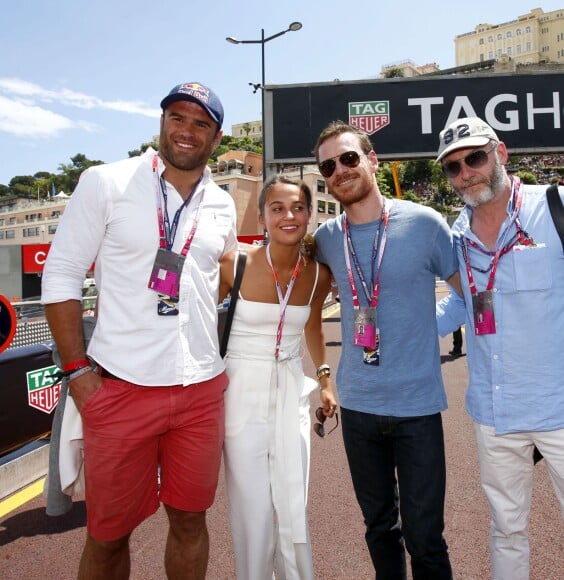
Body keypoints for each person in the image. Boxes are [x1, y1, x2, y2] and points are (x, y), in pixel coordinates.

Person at [41, 82, 237, 580]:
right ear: (161, 122)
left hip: (199, 390)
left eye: (200, 123)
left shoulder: (222, 202)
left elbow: (226, 271)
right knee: (108, 535)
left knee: (191, 521)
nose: (186, 131)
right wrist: (77, 374)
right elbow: (61, 275)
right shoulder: (106, 181)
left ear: (216, 137)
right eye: (177, 117)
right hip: (120, 387)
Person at [312, 121, 458, 580]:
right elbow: (308, 308)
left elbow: (465, 292)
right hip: (358, 408)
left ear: (372, 160)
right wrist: (322, 376)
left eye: (349, 158)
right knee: (378, 529)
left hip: (417, 408)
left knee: (425, 538)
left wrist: (427, 330)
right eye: (329, 166)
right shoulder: (326, 239)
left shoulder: (425, 223)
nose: (340, 170)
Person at [435, 116, 564, 580]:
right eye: (453, 167)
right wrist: (406, 335)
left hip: (560, 407)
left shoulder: (555, 207)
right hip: (495, 412)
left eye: (474, 157)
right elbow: (460, 305)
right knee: (506, 530)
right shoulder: (456, 234)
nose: (466, 172)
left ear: (500, 153)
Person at [219, 175, 338, 580]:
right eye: (277, 208)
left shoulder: (319, 275)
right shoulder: (232, 264)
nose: (289, 216)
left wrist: (324, 379)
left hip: (290, 388)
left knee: (292, 496)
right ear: (262, 216)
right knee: (251, 506)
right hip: (239, 391)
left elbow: (314, 328)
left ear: (309, 214)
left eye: (298, 208)